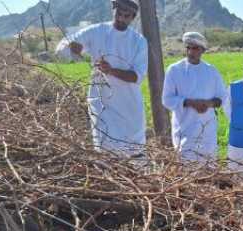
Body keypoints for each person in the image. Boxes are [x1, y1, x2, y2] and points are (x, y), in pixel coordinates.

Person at [55, 0, 147, 157]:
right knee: (105, 151)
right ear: (113, 9)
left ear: (133, 18)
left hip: (129, 106)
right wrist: (71, 48)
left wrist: (111, 70)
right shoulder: (96, 31)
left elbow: (137, 76)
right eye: (119, 13)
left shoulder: (138, 41)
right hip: (102, 102)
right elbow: (61, 48)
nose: (121, 18)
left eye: (127, 16)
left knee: (134, 153)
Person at [162, 32, 227, 163]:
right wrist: (190, 103)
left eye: (195, 48)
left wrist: (207, 104)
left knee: (208, 168)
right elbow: (167, 100)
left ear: (203, 50)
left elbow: (222, 98)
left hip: (207, 131)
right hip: (184, 130)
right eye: (188, 47)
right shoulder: (174, 70)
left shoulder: (211, 71)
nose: (191, 51)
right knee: (186, 172)